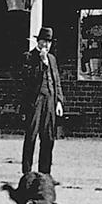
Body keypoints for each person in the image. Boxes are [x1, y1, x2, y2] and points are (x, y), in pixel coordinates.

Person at [21, 27, 64, 175]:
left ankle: (45, 173)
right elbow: (29, 80)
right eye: (44, 41)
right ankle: (27, 173)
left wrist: (59, 101)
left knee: (48, 138)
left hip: (50, 100)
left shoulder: (52, 58)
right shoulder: (29, 57)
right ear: (38, 41)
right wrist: (42, 63)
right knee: (31, 137)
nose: (46, 45)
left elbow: (56, 80)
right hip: (35, 101)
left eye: (49, 42)